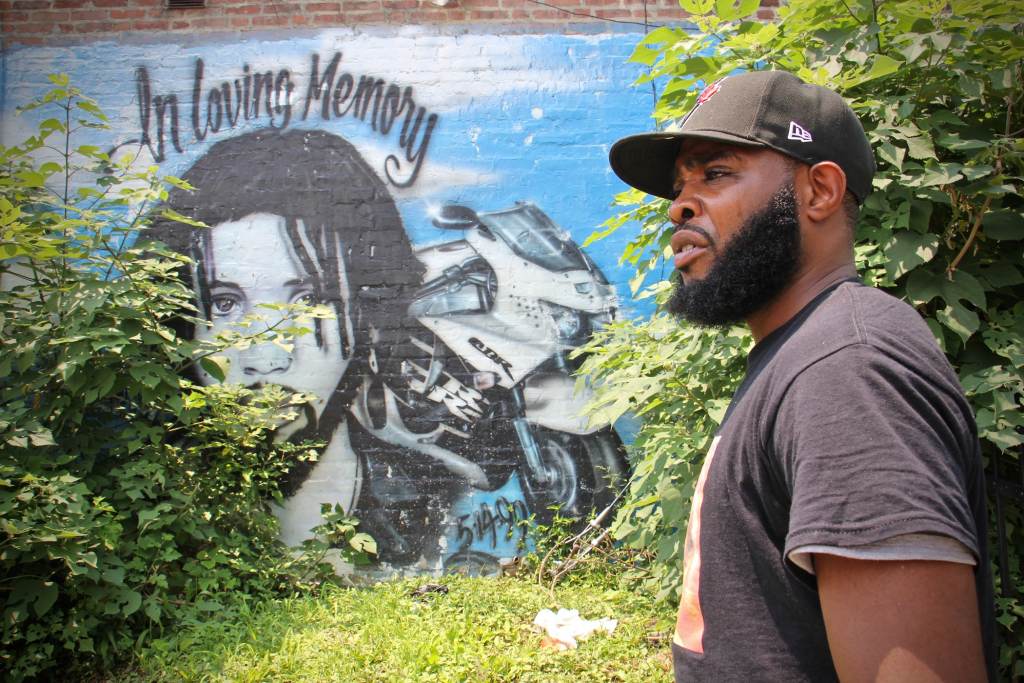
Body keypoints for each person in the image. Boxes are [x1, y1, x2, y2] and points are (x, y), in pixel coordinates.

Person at [609, 70, 995, 681]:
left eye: (715, 173)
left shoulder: (850, 370)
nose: (679, 205)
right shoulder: (800, 351)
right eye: (679, 186)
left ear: (819, 191)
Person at [147, 128, 470, 565]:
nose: (266, 358)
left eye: (308, 302)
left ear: (367, 318)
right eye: (224, 303)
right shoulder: (158, 518)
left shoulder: (440, 499)